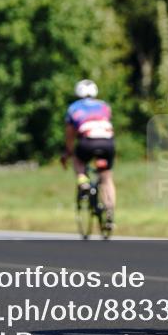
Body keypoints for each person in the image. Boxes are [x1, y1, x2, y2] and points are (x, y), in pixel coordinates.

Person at [62, 80, 117, 230]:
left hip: (87, 142)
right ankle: (110, 212)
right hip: (107, 143)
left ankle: (83, 182)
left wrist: (68, 151)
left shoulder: (73, 107)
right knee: (106, 178)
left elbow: (70, 134)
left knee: (78, 159)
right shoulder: (104, 106)